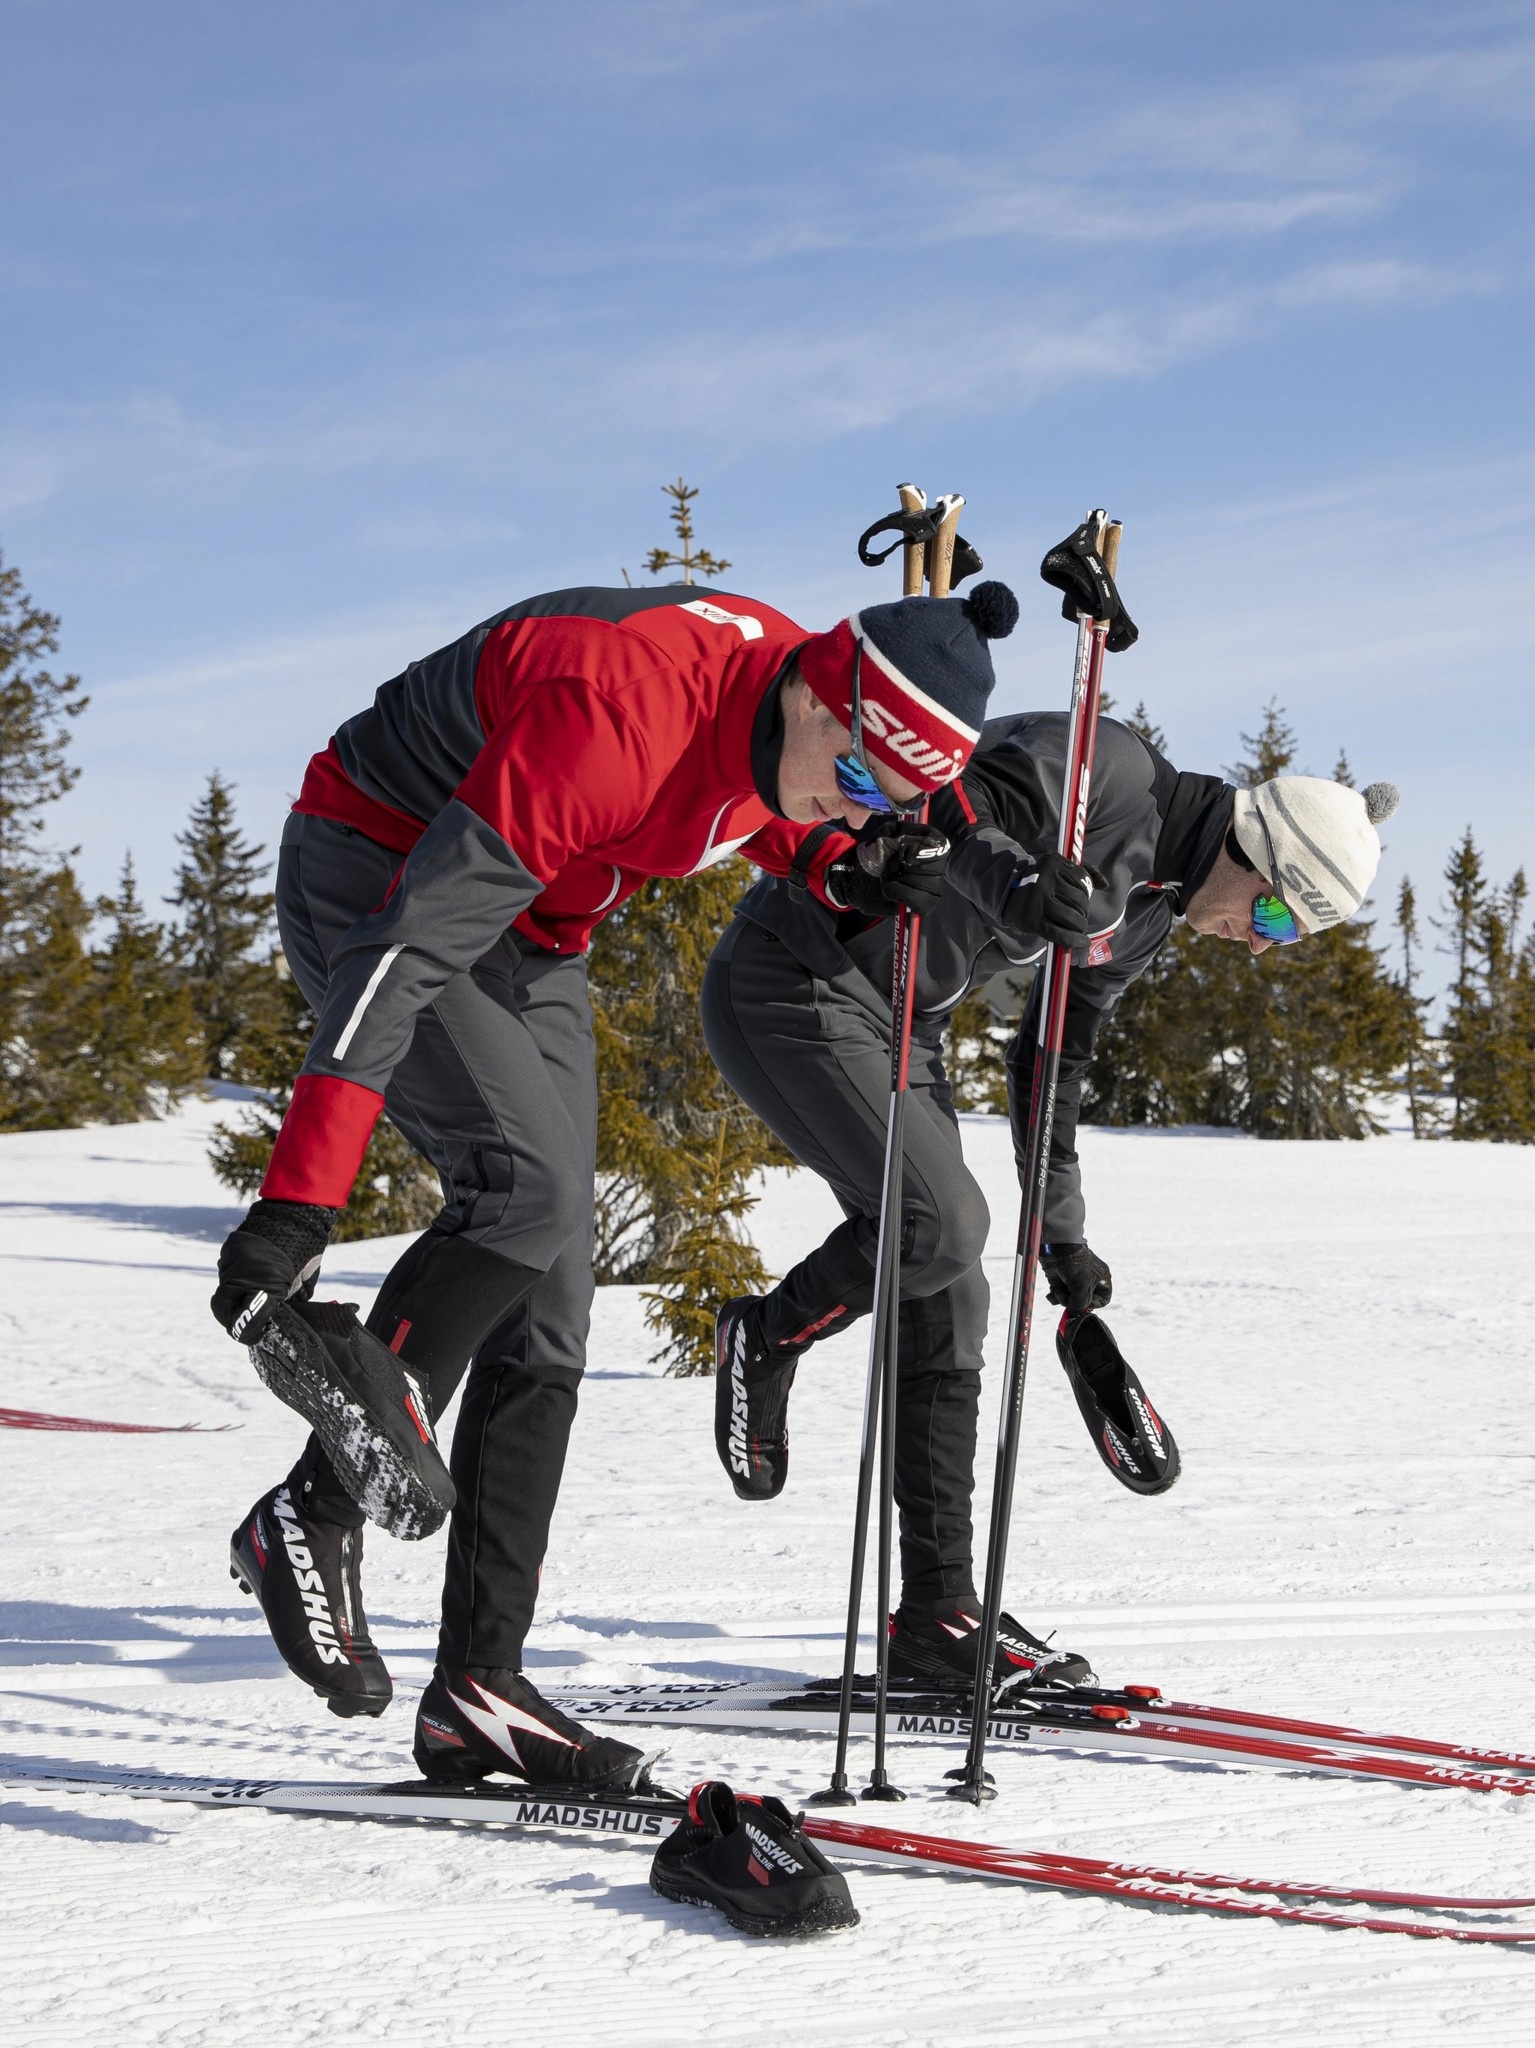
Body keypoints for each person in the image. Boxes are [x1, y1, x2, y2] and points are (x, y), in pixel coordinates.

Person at [210, 575, 1013, 1787]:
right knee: (521, 1194)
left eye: (887, 797)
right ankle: (309, 1519)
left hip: (536, 928)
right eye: (854, 779)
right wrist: (297, 1202)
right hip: (376, 868)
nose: (858, 805)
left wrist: (840, 865)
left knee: (555, 1297)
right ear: (813, 692)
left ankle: (477, 1690)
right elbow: (406, 945)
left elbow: (756, 810)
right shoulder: (615, 713)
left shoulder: (802, 719)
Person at [704, 704, 1399, 1689]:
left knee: (954, 1288)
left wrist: (1061, 1240)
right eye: (1279, 916)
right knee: (936, 1221)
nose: (1260, 945)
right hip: (799, 972)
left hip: (906, 1024)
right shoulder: (1104, 770)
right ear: (1256, 852)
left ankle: (938, 1616)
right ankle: (765, 1335)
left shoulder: (1151, 913)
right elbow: (937, 801)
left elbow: (1048, 1065)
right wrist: (1021, 880)